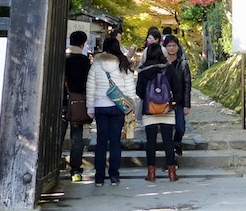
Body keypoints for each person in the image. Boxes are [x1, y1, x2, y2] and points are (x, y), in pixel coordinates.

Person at [85, 36, 136, 186]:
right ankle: (114, 176)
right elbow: (129, 87)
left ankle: (99, 177)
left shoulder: (97, 63)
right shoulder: (123, 63)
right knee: (115, 142)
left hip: (100, 106)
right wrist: (131, 106)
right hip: (118, 107)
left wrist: (90, 107)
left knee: (101, 142)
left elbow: (91, 86)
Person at [136, 42, 181, 182]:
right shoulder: (168, 68)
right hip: (167, 110)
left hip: (149, 110)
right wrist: (172, 103)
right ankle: (172, 173)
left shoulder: (143, 70)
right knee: (168, 141)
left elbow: (139, 92)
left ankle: (151, 174)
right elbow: (177, 88)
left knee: (151, 142)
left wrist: (151, 100)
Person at [62, 30, 91, 182]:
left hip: (60, 102)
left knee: (56, 137)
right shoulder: (84, 61)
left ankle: (52, 166)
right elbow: (88, 83)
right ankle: (75, 171)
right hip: (78, 103)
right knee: (77, 137)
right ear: (83, 43)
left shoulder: (60, 59)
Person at [163, 34, 191, 158]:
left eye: (174, 45)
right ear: (165, 47)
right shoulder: (162, 64)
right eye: (169, 46)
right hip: (164, 101)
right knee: (167, 130)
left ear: (178, 47)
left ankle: (177, 142)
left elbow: (187, 85)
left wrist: (187, 105)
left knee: (180, 127)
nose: (172, 48)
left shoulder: (183, 64)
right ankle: (170, 157)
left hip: (178, 101)